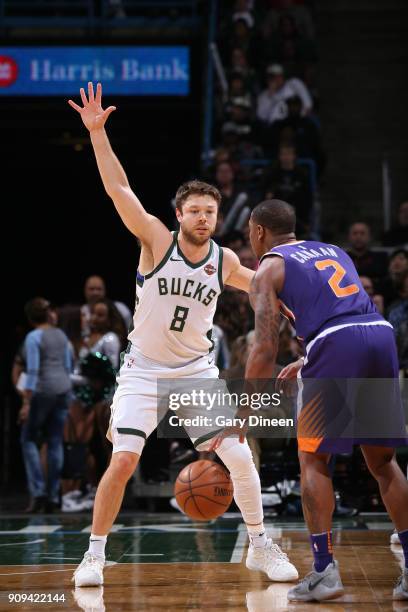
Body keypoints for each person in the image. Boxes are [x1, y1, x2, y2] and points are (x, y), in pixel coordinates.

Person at [68, 83, 298, 587]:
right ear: (179, 215)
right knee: (124, 459)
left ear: (218, 218)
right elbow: (119, 190)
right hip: (143, 370)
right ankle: (93, 554)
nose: (203, 217)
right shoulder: (155, 241)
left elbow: (267, 285)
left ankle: (260, 544)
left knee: (237, 451)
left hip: (195, 373)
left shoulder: (225, 260)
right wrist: (98, 134)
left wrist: (307, 302)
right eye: (194, 210)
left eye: (210, 212)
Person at [242, 199, 408, 601]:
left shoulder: (268, 269)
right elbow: (344, 313)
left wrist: (243, 412)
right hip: (379, 336)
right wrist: (309, 357)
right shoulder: (334, 250)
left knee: (313, 460)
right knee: (383, 462)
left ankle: (324, 572)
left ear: (259, 231)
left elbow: (263, 349)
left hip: (336, 345)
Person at [20, 297, 72, 513]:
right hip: (63, 389)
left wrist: (25, 402)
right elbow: (69, 365)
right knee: (55, 441)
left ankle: (39, 492)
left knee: (28, 438)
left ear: (31, 318)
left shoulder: (33, 337)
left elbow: (32, 370)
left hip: (43, 391)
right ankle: (53, 496)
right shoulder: (61, 335)